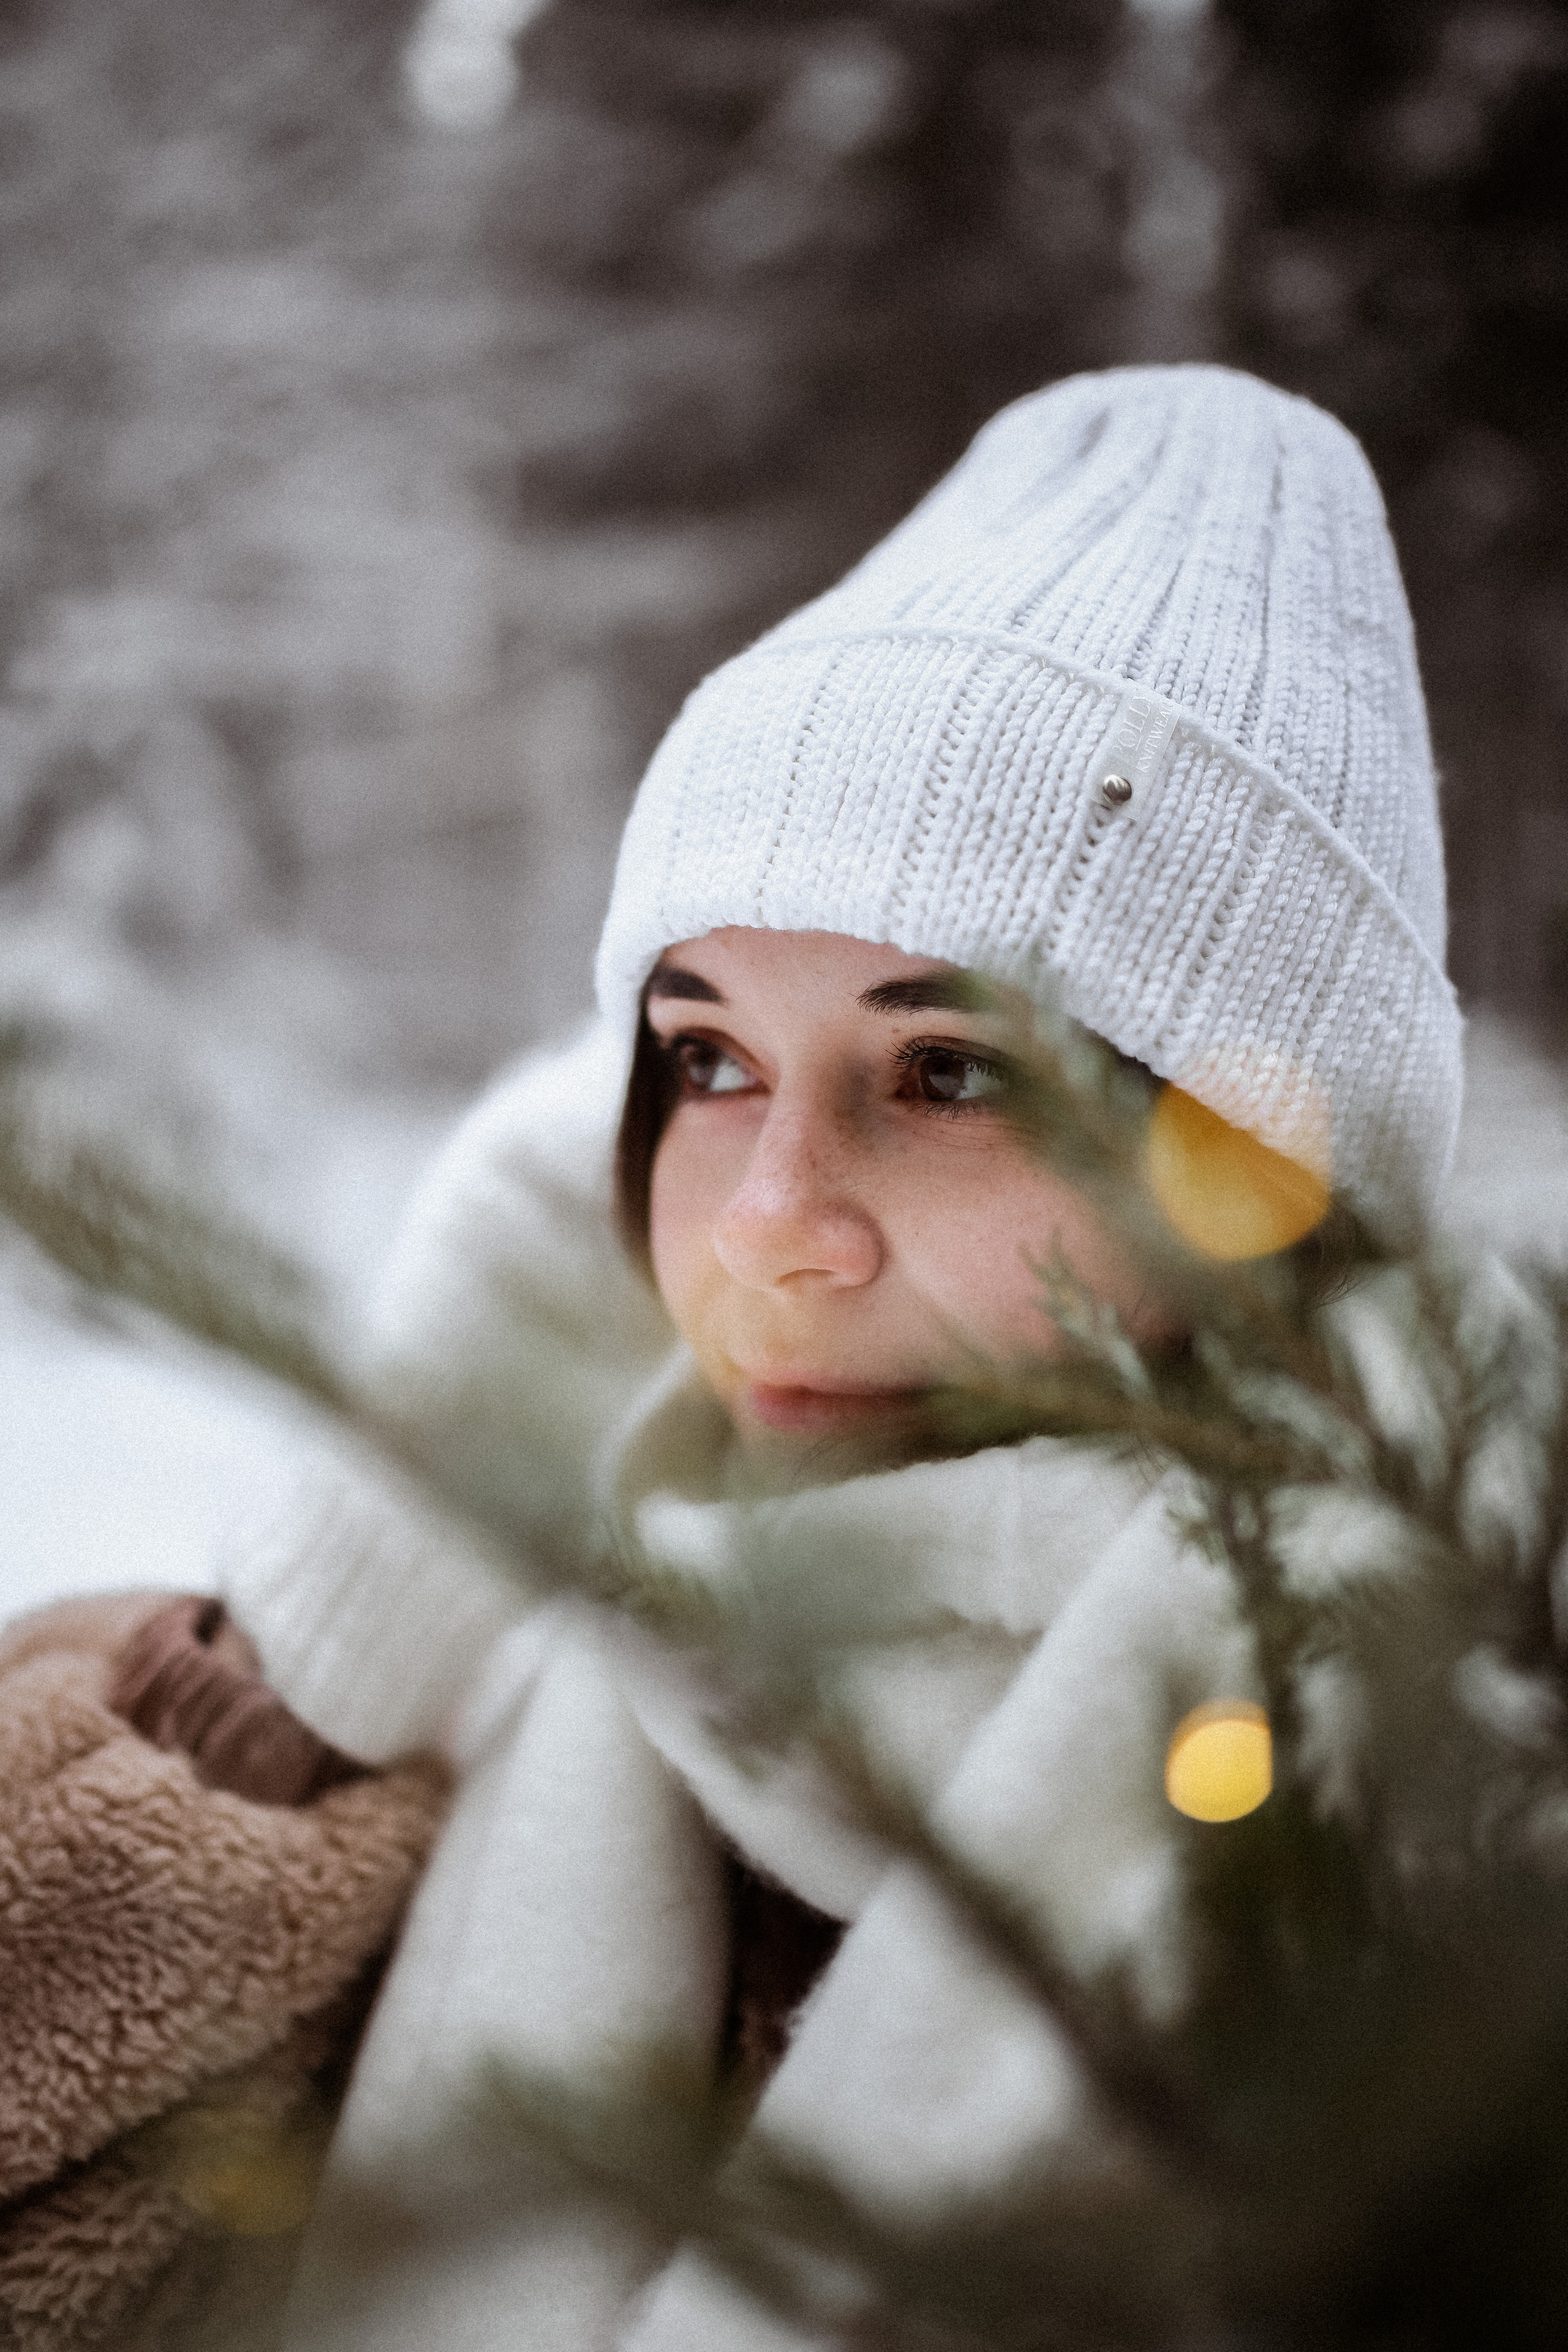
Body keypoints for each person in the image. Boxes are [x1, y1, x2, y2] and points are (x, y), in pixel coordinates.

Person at [214, 366, 1469, 2343]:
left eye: (948, 1071)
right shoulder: (562, 1667)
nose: (771, 1225)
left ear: (1266, 1180)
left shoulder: (1442, 1857)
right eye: (704, 1059)